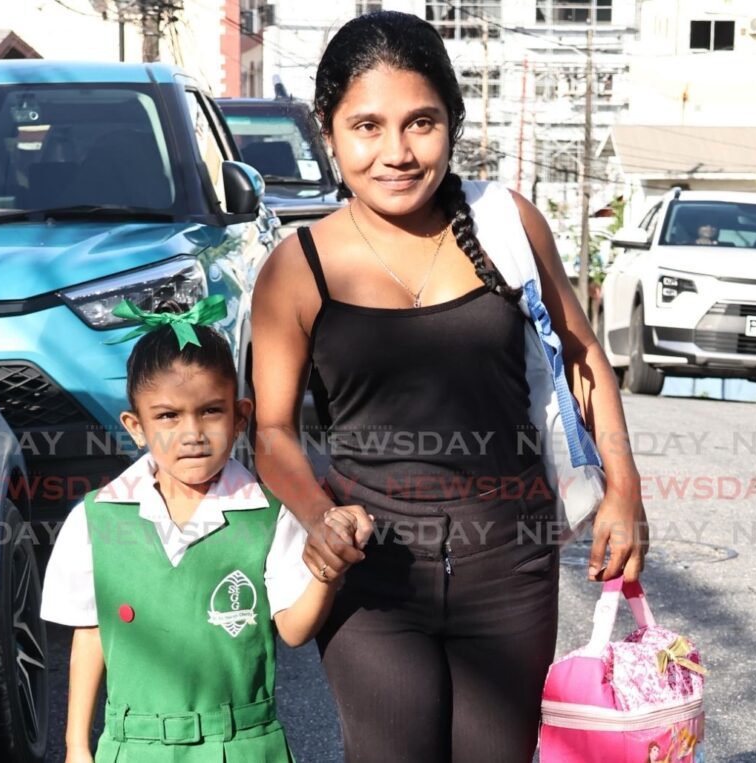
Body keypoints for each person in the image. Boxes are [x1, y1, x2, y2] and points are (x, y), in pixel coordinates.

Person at [251, 11, 648, 762]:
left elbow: (584, 354)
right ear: (329, 135)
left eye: (420, 122)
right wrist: (318, 518)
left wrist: (623, 488)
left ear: (453, 124)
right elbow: (271, 433)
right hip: (372, 579)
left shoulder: (508, 224)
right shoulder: (296, 268)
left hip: (512, 568)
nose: (396, 153)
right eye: (366, 126)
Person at [40, 297, 372, 763]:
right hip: (132, 748)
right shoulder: (98, 519)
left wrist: (327, 570)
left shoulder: (267, 515)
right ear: (136, 426)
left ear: (240, 417)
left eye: (210, 412)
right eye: (168, 416)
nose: (191, 432)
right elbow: (91, 634)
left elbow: (294, 631)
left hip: (243, 746)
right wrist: (77, 743)